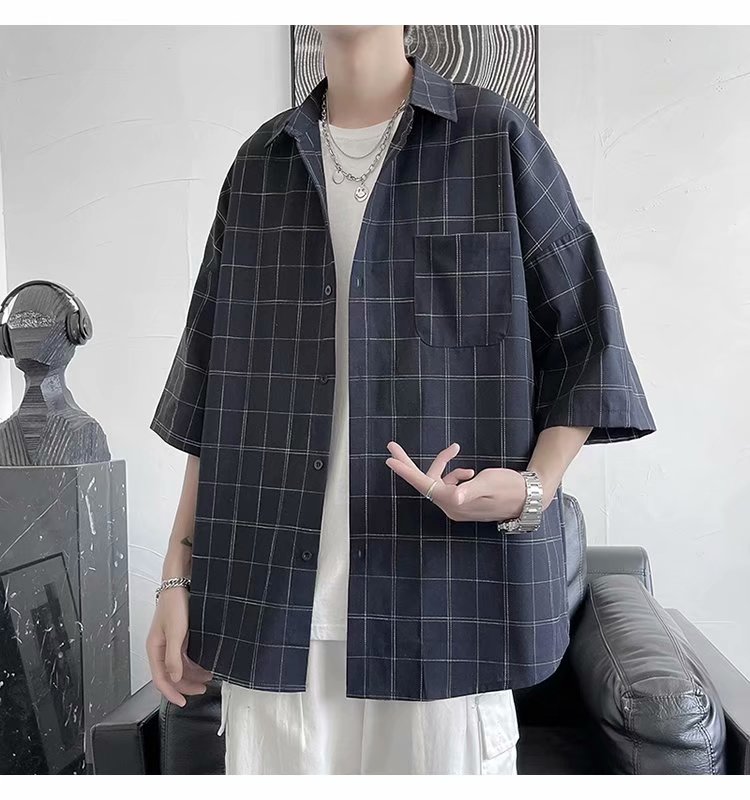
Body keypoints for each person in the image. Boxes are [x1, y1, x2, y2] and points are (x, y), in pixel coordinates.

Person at [146, 25, 657, 775]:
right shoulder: (260, 165)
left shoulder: (495, 139)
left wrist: (534, 486)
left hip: (445, 603)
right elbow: (211, 390)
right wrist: (177, 576)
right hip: (269, 603)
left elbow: (588, 337)